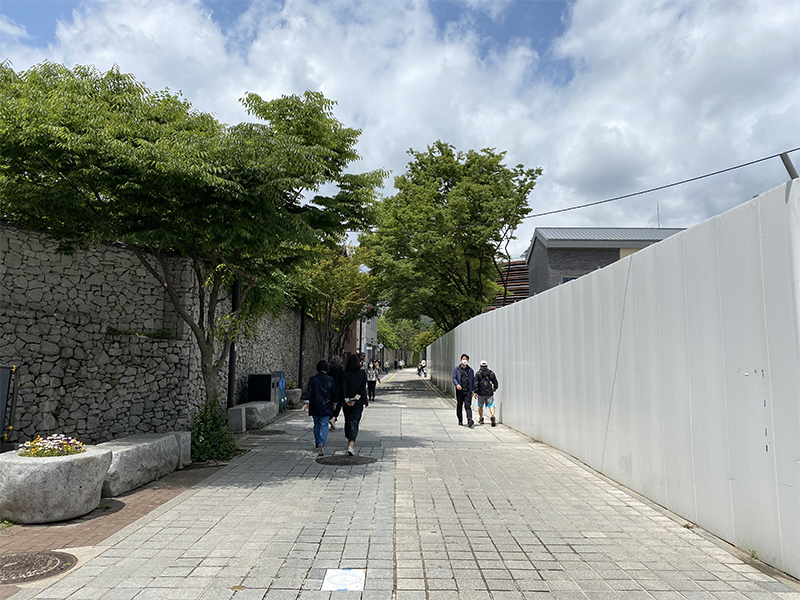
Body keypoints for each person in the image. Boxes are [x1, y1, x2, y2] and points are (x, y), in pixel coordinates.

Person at [303, 360, 336, 455]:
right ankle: (322, 442)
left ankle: (317, 443)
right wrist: (334, 403)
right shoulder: (330, 379)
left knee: (316, 424)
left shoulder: (313, 379)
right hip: (326, 405)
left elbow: (309, 392)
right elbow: (333, 393)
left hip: (315, 405)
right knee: (325, 424)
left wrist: (306, 403)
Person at [342, 353, 368, 455]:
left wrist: (348, 399)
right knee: (354, 421)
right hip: (358, 402)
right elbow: (362, 388)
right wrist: (355, 398)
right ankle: (351, 445)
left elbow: (343, 387)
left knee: (348, 421)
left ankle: (349, 442)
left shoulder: (344, 373)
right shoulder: (362, 373)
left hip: (346, 402)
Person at [452, 353, 475, 427]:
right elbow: (454, 378)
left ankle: (469, 420)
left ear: (468, 361)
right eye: (463, 359)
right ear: (461, 360)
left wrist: (473, 390)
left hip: (467, 390)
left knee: (468, 406)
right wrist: (457, 384)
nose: (464, 361)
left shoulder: (470, 370)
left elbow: (472, 381)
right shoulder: (457, 369)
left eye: (466, 359)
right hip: (459, 391)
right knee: (459, 405)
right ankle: (460, 420)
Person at [474, 360, 499, 427]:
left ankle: (481, 418)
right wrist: (495, 388)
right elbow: (495, 381)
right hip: (489, 392)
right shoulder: (491, 373)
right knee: (491, 405)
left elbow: (476, 383)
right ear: (487, 366)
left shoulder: (478, 374)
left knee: (480, 406)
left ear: (480, 366)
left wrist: (475, 392)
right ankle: (493, 416)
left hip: (481, 393)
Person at [327, 355, 345, 431]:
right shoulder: (341, 370)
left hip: (330, 389)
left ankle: (331, 417)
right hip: (339, 389)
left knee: (331, 405)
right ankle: (334, 419)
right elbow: (343, 381)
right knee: (338, 405)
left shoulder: (329, 370)